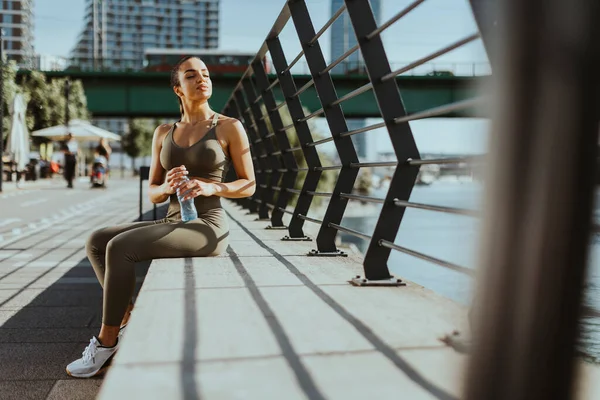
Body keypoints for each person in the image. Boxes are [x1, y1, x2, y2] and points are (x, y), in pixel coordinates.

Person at [65, 56, 256, 378]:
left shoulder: (228, 127)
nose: (202, 79)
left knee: (120, 247)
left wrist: (211, 187)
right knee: (97, 240)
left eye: (205, 74)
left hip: (206, 226)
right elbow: (153, 190)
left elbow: (248, 185)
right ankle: (128, 314)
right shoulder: (164, 132)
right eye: (192, 75)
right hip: (172, 219)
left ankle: (106, 342)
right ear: (177, 88)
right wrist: (166, 185)